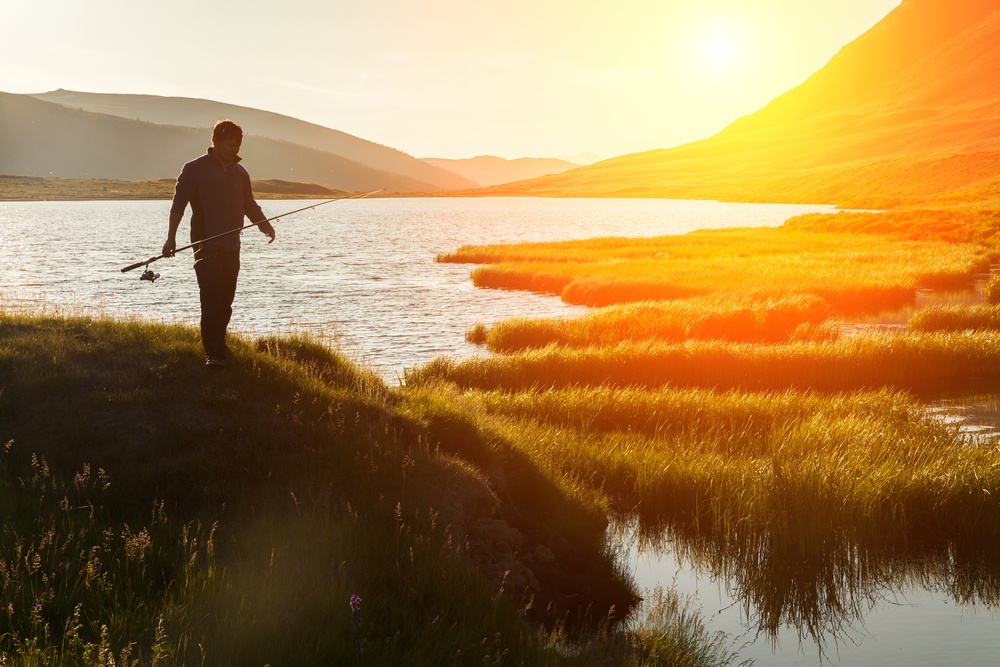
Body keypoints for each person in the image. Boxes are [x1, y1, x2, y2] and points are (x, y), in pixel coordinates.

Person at [162, 119, 275, 369]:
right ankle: (212, 353)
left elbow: (249, 204)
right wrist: (171, 237)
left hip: (232, 246)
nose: (234, 150)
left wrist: (264, 225)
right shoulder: (194, 169)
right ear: (216, 141)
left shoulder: (240, 173)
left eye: (237, 146)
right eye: (230, 145)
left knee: (225, 301)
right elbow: (178, 204)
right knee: (211, 299)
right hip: (205, 246)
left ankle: (219, 345)